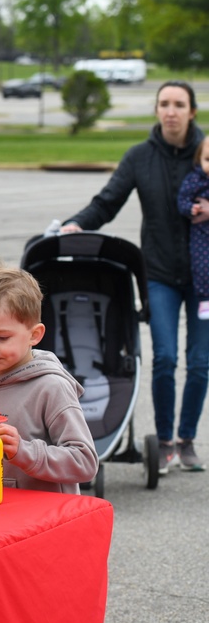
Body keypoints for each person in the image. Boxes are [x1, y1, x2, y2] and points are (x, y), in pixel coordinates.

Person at [62, 80, 208, 474]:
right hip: (158, 273)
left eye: (179, 104)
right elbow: (107, 202)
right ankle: (163, 443)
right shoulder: (140, 157)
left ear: (192, 111)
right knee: (163, 357)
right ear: (157, 110)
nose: (171, 111)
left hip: (204, 278)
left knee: (199, 362)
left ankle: (187, 439)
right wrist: (76, 224)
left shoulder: (205, 152)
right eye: (164, 104)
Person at [0, 265, 99, 494]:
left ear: (35, 335)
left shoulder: (52, 387)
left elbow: (85, 462)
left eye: (1, 337)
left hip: (44, 518)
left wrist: (24, 451)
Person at [176, 134, 209, 319]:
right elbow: (182, 200)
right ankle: (205, 300)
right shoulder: (195, 179)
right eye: (207, 159)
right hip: (201, 233)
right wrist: (191, 208)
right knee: (202, 264)